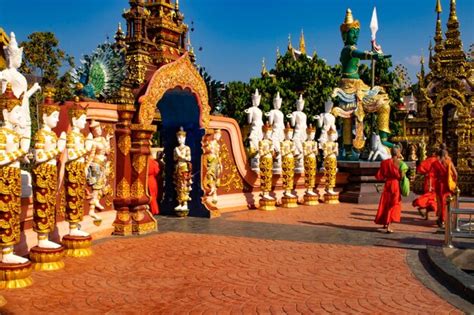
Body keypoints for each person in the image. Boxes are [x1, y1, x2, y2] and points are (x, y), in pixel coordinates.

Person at [374, 146, 405, 233]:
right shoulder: (400, 163)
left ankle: (384, 223)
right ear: (398, 153)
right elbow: (402, 176)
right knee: (393, 204)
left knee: (385, 203)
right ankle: (389, 225)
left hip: (387, 184)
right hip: (395, 185)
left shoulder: (385, 163)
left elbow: (380, 175)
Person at [432, 146, 458, 227]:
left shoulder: (435, 163)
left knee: (440, 202)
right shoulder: (449, 163)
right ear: (445, 155)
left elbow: (433, 175)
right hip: (447, 185)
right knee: (446, 202)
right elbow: (456, 174)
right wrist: (453, 181)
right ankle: (442, 219)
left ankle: (441, 218)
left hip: (439, 184)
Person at [412, 148, 438, 219]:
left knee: (428, 196)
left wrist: (426, 173)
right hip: (434, 180)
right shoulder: (436, 160)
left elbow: (420, 168)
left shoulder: (429, 160)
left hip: (428, 180)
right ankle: (420, 205)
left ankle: (426, 214)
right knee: (431, 197)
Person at [148, 148, 161, 215]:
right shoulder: (154, 162)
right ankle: (155, 210)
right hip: (153, 180)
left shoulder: (147, 162)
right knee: (153, 195)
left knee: (150, 195)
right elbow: (157, 171)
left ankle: (152, 210)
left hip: (148, 180)